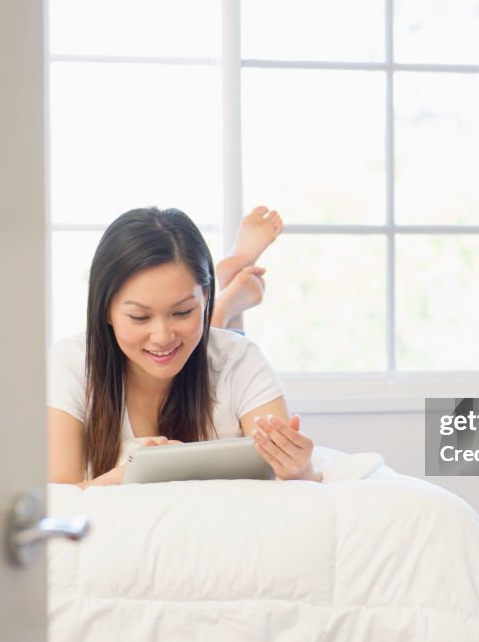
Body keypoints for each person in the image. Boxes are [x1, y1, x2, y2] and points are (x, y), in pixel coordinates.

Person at [47, 206, 320, 488]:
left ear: (204, 297)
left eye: (182, 312)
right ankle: (224, 301)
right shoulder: (70, 363)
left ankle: (222, 299)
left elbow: (291, 483)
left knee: (213, 341)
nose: (162, 335)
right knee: (204, 334)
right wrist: (123, 478)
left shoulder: (240, 358)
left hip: (211, 340)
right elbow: (59, 497)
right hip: (203, 332)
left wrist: (300, 471)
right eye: (140, 317)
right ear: (105, 309)